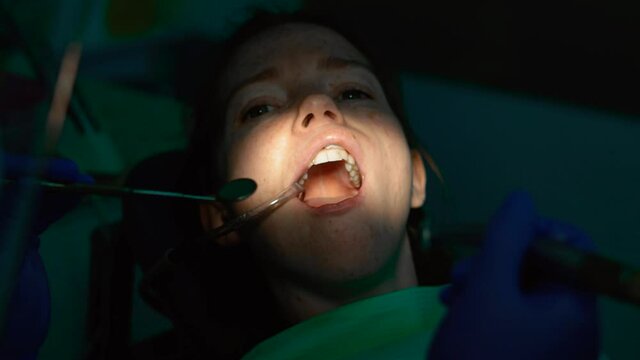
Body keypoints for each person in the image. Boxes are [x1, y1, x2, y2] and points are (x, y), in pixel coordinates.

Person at [166, 8, 600, 359]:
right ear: (223, 215)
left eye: (354, 92)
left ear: (415, 177)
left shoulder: (520, 325)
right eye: (259, 108)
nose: (317, 104)